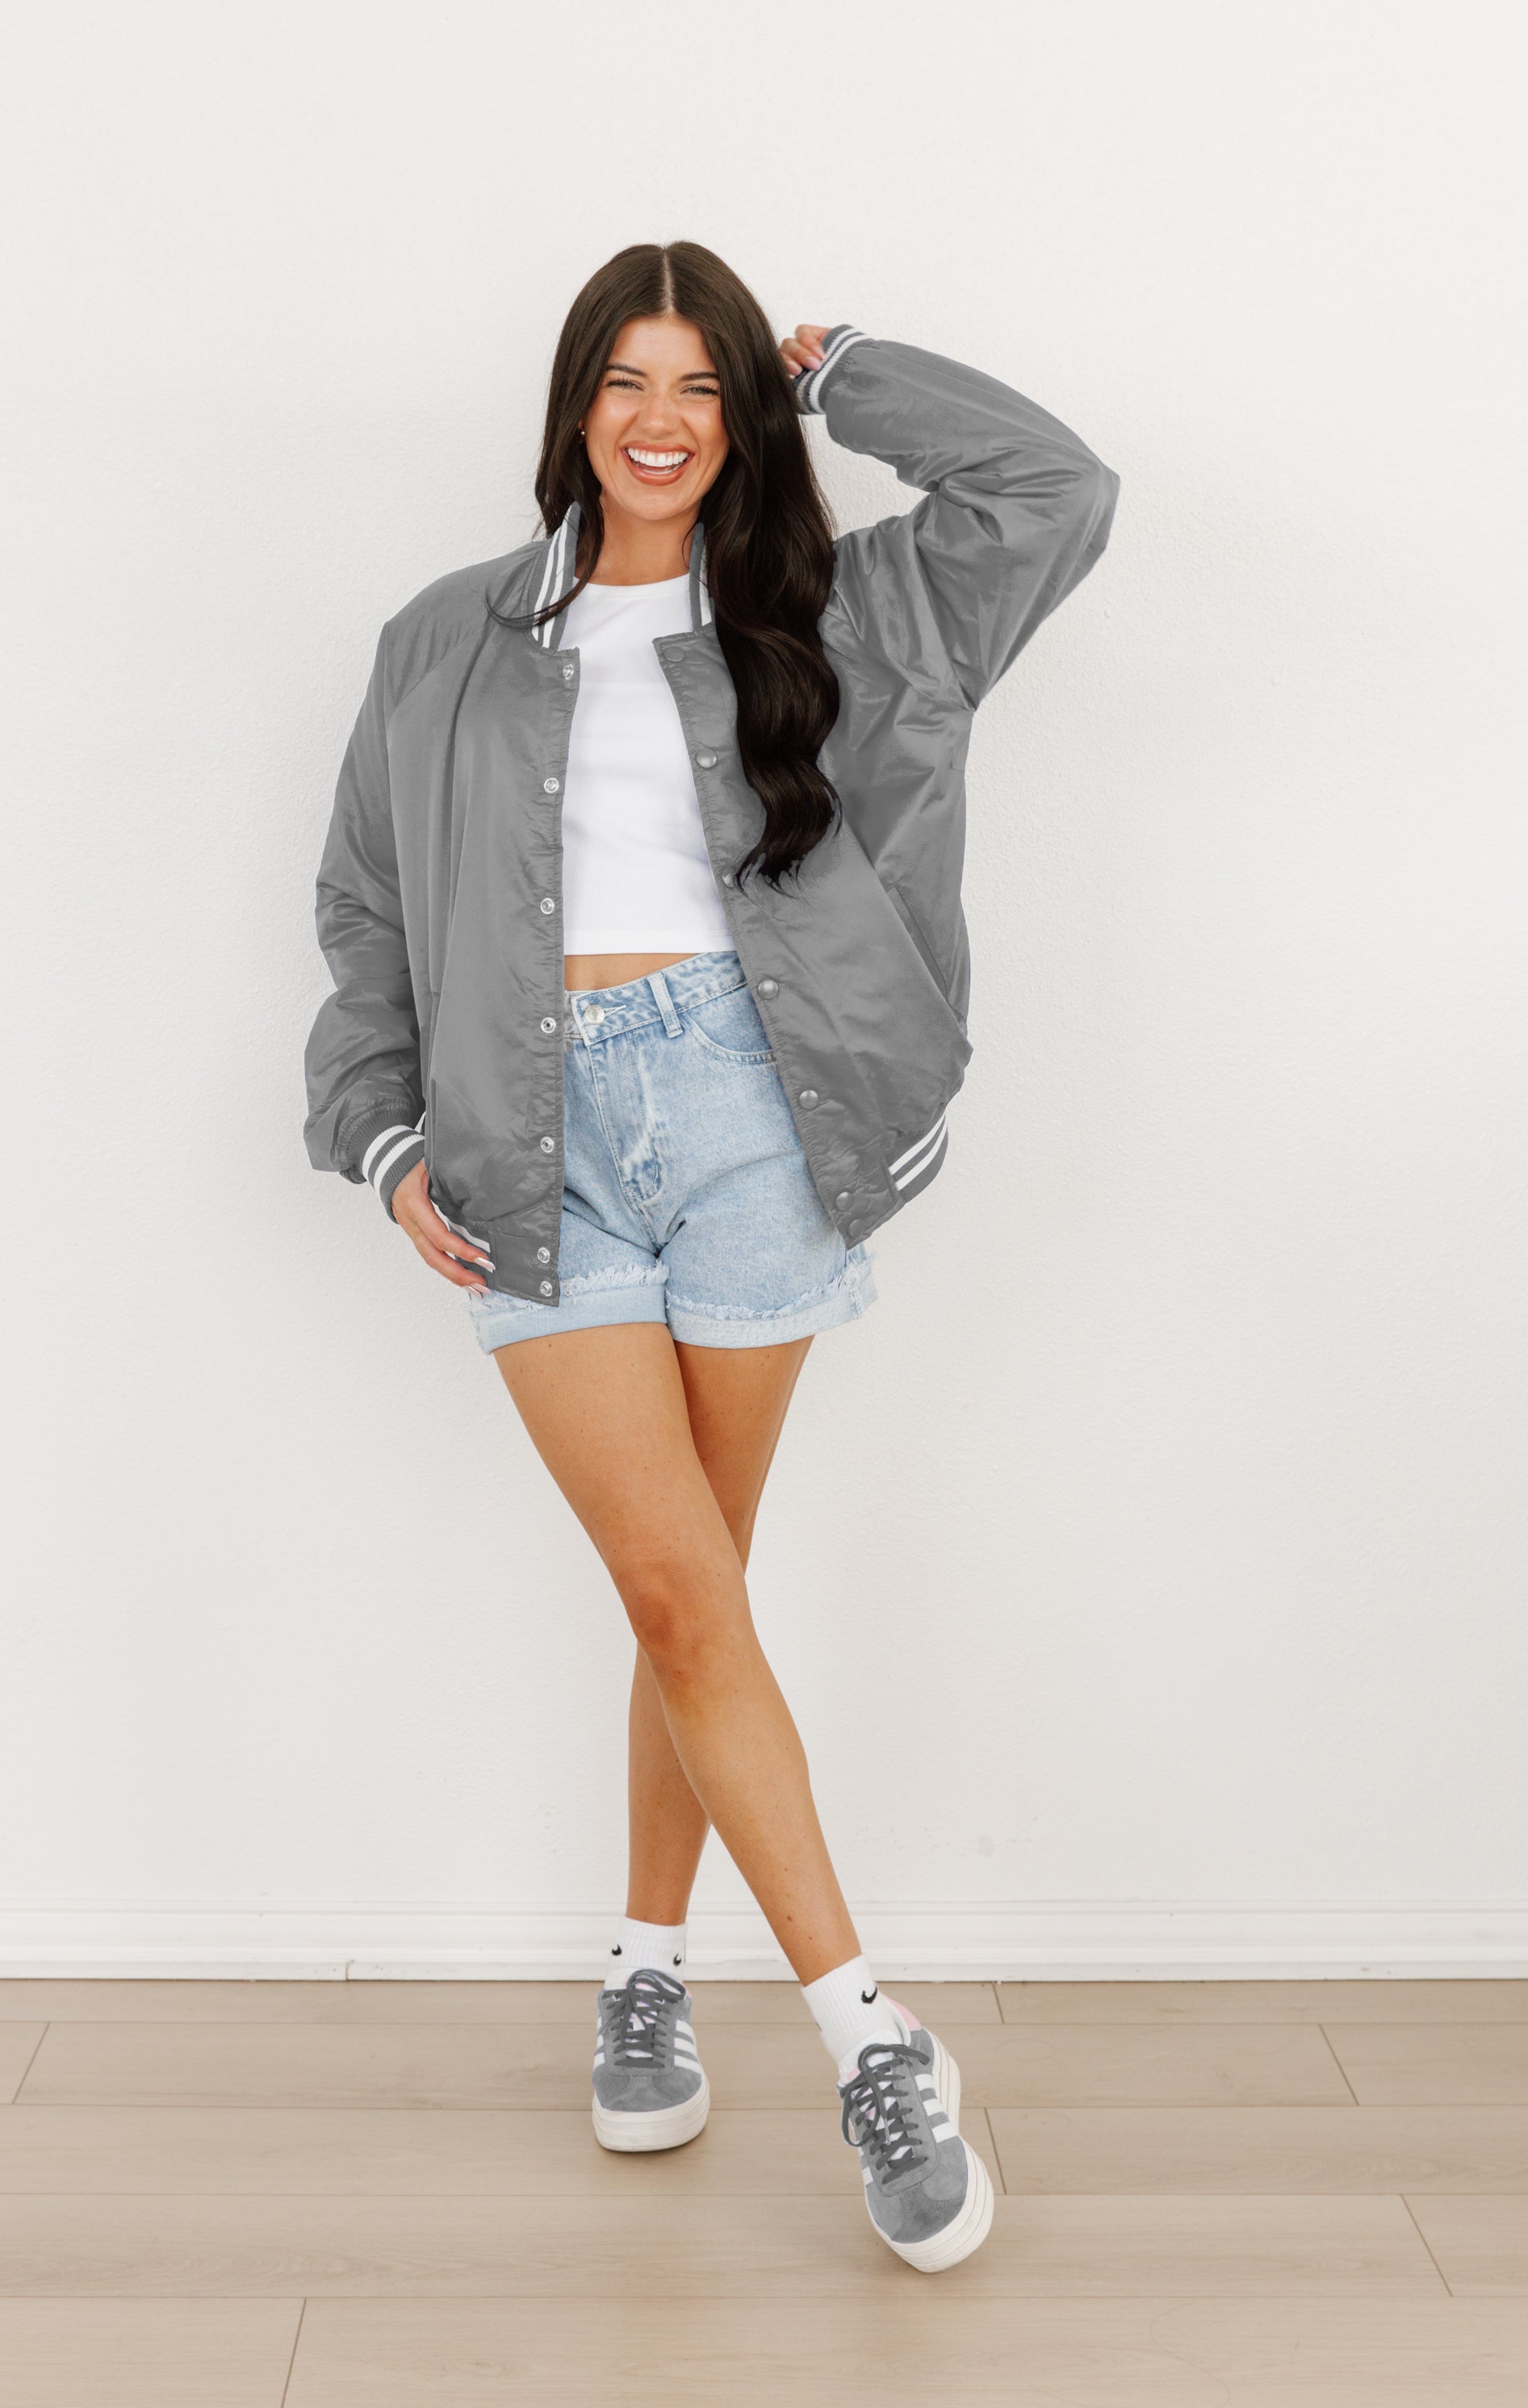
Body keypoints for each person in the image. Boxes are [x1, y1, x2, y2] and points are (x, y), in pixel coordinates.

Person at [303, 241, 1118, 2272]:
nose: (659, 421)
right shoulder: (445, 637)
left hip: (762, 1113)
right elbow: (365, 904)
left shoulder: (857, 611)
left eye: (701, 385)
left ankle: (645, 1966)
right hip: (529, 1134)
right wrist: (380, 1128)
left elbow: (1057, 491)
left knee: (696, 1601)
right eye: (624, 381)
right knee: (680, 1590)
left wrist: (843, 368)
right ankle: (872, 2037)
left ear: (740, 414)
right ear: (572, 405)